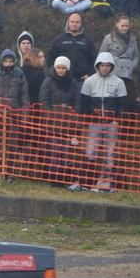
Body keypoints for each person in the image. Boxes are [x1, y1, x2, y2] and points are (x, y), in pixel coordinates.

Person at [77, 53, 127, 191]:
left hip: (112, 124)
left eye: (107, 66)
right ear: (98, 66)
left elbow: (122, 104)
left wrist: (118, 120)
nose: (105, 69)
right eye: (102, 66)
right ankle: (88, 182)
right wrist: (88, 119)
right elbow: (85, 103)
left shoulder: (119, 82)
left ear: (111, 67)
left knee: (109, 154)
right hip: (95, 123)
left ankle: (104, 184)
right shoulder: (90, 81)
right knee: (90, 152)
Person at [0, 49, 30, 180]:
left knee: (12, 144)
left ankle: (10, 172)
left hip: (14, 115)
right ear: (1, 61)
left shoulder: (19, 74)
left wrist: (25, 117)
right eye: (6, 61)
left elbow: (24, 96)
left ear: (14, 61)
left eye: (10, 61)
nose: (8, 63)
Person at [39, 56, 82, 187]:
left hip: (68, 124)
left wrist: (74, 118)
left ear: (67, 69)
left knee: (66, 152)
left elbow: (77, 102)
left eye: (63, 68)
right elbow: (44, 101)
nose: (61, 70)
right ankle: (53, 177)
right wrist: (50, 117)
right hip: (52, 124)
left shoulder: (73, 82)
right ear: (55, 67)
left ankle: (64, 176)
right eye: (59, 68)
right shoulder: (47, 81)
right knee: (54, 150)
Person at [99, 13, 140, 112]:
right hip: (113, 75)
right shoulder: (108, 38)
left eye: (127, 26)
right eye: (122, 26)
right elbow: (101, 56)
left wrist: (132, 65)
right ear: (117, 24)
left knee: (130, 102)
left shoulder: (132, 39)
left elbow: (136, 56)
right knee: (114, 102)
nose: (124, 28)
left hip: (127, 75)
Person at [48, 12, 98, 82]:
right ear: (67, 22)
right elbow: (51, 59)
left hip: (82, 80)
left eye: (77, 22)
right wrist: (54, 75)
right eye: (72, 22)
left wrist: (89, 74)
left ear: (81, 24)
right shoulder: (58, 40)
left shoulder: (88, 41)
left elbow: (93, 59)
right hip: (61, 80)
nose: (74, 24)